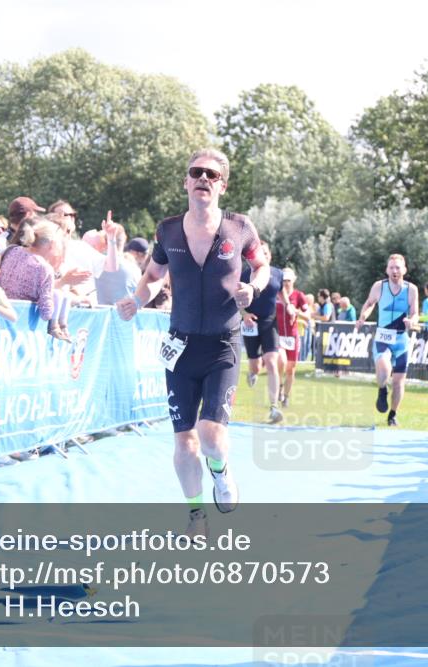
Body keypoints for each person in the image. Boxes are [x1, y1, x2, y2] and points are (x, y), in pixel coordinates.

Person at [115, 148, 268, 535]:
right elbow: (153, 276)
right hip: (180, 346)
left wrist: (254, 286)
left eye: (211, 175)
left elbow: (262, 264)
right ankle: (196, 513)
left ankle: (222, 471)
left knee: (211, 436)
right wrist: (136, 299)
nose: (203, 178)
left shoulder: (240, 227)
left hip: (223, 344)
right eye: (196, 172)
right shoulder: (167, 230)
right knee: (184, 444)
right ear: (186, 181)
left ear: (222, 185)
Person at [356, 254, 419, 427]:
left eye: (398, 267)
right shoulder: (379, 286)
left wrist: (411, 321)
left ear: (404, 270)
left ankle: (392, 414)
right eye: (391, 267)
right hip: (383, 337)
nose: (394, 271)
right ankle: (382, 389)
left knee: (399, 381)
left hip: (401, 339)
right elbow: (369, 304)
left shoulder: (411, 289)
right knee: (384, 368)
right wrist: (362, 317)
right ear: (387, 270)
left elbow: (415, 313)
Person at [0, 217, 71, 341]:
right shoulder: (44, 268)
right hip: (21, 328)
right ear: (52, 244)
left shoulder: (10, 250)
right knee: (59, 295)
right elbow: (46, 313)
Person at [240, 242, 284, 423]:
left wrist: (288, 306)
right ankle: (253, 373)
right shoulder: (244, 274)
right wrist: (244, 314)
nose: (263, 256)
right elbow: (234, 300)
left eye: (266, 253)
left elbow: (282, 294)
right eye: (260, 253)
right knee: (255, 366)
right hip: (250, 321)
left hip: (269, 321)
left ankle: (274, 407)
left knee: (271, 362)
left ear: (270, 255)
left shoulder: (278, 274)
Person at [276, 267, 310, 406]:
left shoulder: (299, 296)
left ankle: (286, 396)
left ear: (294, 280)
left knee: (290, 369)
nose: (286, 283)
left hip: (292, 336)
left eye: (288, 280)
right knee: (281, 362)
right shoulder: (276, 294)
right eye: (283, 280)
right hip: (277, 335)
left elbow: (308, 316)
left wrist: (295, 311)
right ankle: (278, 387)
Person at [97, 212, 144, 305]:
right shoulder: (134, 269)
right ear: (125, 238)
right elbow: (139, 297)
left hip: (98, 317)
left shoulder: (95, 264)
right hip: (124, 317)